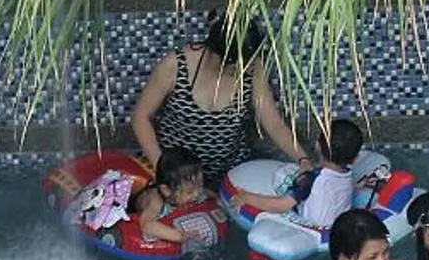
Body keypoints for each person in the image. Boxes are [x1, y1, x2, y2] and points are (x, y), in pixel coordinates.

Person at [129, 12, 308, 179]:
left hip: (230, 170)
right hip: (179, 170)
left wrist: (302, 159)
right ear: (218, 57)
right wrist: (163, 169)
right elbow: (141, 117)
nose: (242, 72)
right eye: (235, 69)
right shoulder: (176, 65)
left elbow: (272, 122)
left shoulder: (252, 67)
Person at [240, 116, 366, 227]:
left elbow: (281, 205)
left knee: (285, 177)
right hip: (335, 224)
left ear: (317, 145)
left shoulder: (311, 179)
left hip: (311, 226)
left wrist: (247, 197)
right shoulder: (347, 173)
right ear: (354, 159)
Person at [129, 147, 224, 252]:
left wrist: (217, 198)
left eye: (200, 185)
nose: (197, 194)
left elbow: (204, 192)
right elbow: (147, 226)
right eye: (190, 191)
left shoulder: (191, 191)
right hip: (132, 205)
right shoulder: (156, 202)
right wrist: (179, 236)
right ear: (166, 190)